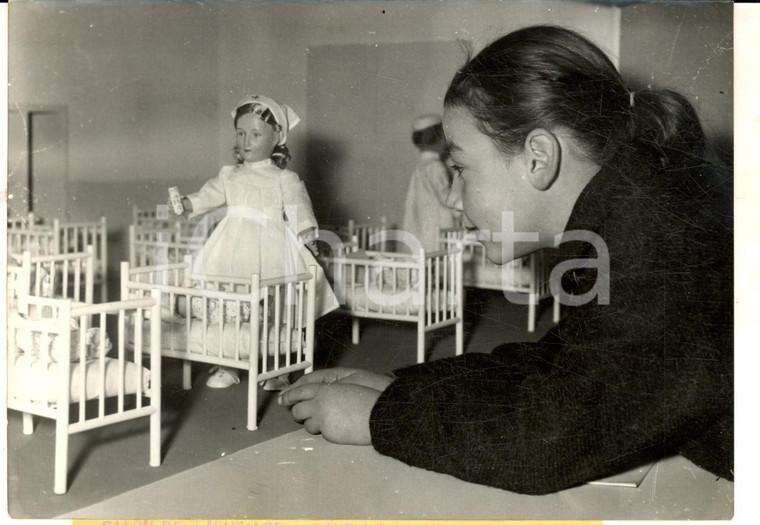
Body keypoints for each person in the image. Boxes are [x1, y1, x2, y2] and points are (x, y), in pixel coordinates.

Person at [278, 25, 733, 494]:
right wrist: (405, 389)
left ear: (538, 158)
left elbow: (549, 443)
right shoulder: (626, 210)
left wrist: (380, 418)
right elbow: (564, 366)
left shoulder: (650, 238)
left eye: (460, 169)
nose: (454, 199)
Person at [172, 94, 338, 389]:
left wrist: (307, 236)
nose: (246, 141)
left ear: (277, 138)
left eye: (256, 134)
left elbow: (299, 210)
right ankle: (227, 362)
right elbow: (208, 195)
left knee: (277, 304)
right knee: (224, 298)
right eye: (240, 132)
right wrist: (187, 203)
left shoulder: (284, 179)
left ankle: (279, 367)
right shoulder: (229, 174)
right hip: (230, 243)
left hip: (271, 243)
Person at [400, 114, 458, 252]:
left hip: (420, 225)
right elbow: (446, 198)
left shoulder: (422, 165)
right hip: (434, 227)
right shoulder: (434, 166)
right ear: (438, 138)